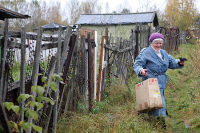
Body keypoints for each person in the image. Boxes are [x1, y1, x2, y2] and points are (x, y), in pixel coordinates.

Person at [133, 33, 185, 130]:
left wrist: (179, 62)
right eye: (156, 43)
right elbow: (137, 64)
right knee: (158, 102)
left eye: (160, 43)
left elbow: (172, 62)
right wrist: (141, 70)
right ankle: (162, 125)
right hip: (151, 81)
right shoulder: (146, 52)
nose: (158, 45)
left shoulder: (164, 53)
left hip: (162, 81)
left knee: (155, 102)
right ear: (152, 43)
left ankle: (148, 118)